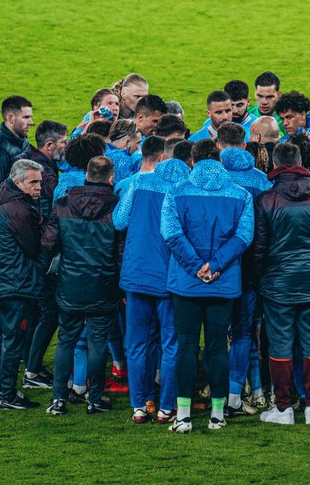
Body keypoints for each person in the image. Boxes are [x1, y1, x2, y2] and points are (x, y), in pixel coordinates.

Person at [160, 141, 254, 433]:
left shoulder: (176, 191)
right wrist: (215, 266)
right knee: (217, 349)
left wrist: (195, 266)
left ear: (193, 161)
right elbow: (244, 236)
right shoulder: (241, 194)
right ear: (219, 161)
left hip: (187, 283)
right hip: (222, 283)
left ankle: (184, 416)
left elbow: (171, 233)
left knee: (186, 348)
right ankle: (217, 414)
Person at [254, 141, 310, 425]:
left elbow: (258, 247)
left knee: (280, 343)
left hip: (278, 282)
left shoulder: (266, 200)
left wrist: (261, 275)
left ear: (274, 164)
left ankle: (283, 408)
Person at [115, 134, 190, 423]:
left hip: (136, 274)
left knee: (136, 342)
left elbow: (119, 221)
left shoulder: (138, 183)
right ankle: (166, 407)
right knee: (171, 343)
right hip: (170, 277)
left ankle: (139, 403)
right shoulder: (183, 190)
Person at [40, 155, 121, 416]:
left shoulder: (63, 204)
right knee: (98, 344)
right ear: (111, 178)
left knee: (66, 341)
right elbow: (120, 252)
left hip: (70, 284)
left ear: (86, 175)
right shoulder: (116, 208)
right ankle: (94, 399)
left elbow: (48, 243)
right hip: (103, 284)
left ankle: (58, 400)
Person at [216, 120, 268, 415]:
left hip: (216, 268)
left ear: (219, 147)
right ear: (245, 145)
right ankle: (238, 395)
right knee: (245, 333)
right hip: (251, 267)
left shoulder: (212, 178)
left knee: (214, 335)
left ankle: (217, 394)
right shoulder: (261, 180)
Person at [0, 158, 45, 408]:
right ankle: (8, 395)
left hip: (0, 281)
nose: (38, 187)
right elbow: (33, 247)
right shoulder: (19, 210)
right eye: (33, 182)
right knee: (12, 340)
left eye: (39, 182)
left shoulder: (5, 196)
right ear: (18, 182)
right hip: (15, 284)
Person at [21, 121, 68, 390]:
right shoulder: (45, 174)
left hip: (33, 249)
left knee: (40, 310)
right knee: (48, 310)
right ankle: (32, 370)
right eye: (63, 142)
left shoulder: (30, 162)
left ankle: (30, 364)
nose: (66, 146)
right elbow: (57, 205)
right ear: (49, 146)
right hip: (42, 250)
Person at [0, 95, 34, 185]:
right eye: (26, 117)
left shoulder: (22, 139)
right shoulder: (0, 151)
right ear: (11, 118)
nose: (31, 122)